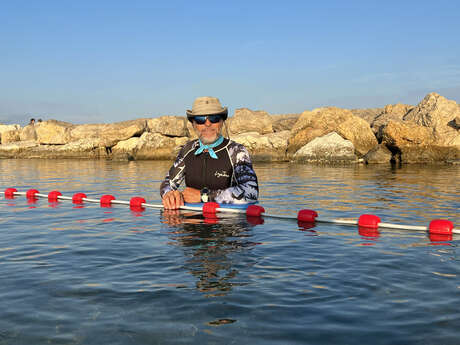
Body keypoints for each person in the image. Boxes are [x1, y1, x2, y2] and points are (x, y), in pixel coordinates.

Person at [160, 96, 259, 209]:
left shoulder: (237, 152)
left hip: (228, 224)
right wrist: (169, 195)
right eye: (200, 119)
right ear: (193, 124)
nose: (207, 124)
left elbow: (251, 191)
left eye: (214, 118)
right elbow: (167, 183)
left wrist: (204, 196)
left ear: (222, 121)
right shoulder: (187, 149)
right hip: (191, 224)